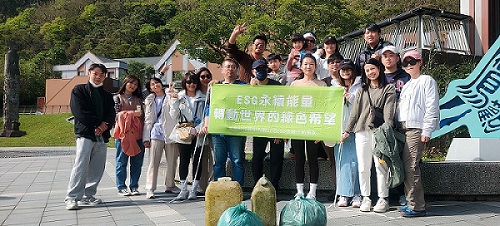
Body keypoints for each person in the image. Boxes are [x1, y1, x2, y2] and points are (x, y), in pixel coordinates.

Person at [341, 58, 395, 213]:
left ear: (379, 68)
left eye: (373, 68)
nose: (370, 72)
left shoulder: (388, 88)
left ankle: (383, 199)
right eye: (367, 70)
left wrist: (386, 131)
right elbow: (354, 113)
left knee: (381, 166)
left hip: (380, 132)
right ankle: (366, 197)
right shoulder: (362, 90)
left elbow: (389, 113)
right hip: (361, 132)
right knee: (364, 167)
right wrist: (347, 131)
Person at [65, 63, 116, 210]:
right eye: (96, 74)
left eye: (102, 75)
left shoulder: (106, 95)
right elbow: (79, 111)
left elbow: (111, 113)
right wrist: (97, 124)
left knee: (97, 166)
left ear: (105, 76)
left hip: (102, 135)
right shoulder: (79, 90)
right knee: (81, 164)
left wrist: (105, 125)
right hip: (85, 133)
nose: (98, 77)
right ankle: (72, 197)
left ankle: (89, 195)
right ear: (89, 73)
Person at [397, 50, 439, 217]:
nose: (409, 65)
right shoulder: (407, 84)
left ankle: (417, 206)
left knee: (411, 167)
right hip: (403, 129)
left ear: (420, 62)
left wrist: (427, 130)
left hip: (416, 129)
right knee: (408, 167)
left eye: (412, 62)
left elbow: (432, 106)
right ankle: (411, 202)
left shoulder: (427, 80)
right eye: (405, 63)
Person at [200, 58, 246, 186]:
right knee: (219, 161)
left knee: (237, 160)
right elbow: (209, 107)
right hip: (218, 130)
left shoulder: (243, 87)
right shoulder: (216, 87)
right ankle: (219, 188)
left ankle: (238, 188)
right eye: (227, 67)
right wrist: (206, 124)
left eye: (233, 67)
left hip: (236, 130)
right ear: (222, 70)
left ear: (237, 70)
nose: (230, 69)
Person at [290, 53, 327, 200]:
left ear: (316, 66)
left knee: (312, 158)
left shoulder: (322, 84)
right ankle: (299, 191)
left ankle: (313, 191)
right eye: (305, 64)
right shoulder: (295, 84)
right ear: (301, 66)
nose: (308, 66)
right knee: (299, 158)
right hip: (298, 125)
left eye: (311, 64)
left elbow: (325, 106)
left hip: (314, 125)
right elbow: (290, 106)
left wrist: (322, 129)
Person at [169, 72, 208, 201]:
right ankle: (184, 188)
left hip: (198, 132)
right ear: (184, 83)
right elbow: (174, 116)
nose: (192, 84)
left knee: (197, 161)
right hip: (183, 133)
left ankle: (194, 189)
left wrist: (198, 129)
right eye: (189, 82)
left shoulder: (203, 97)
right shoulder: (179, 97)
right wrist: (173, 101)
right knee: (184, 160)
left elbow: (206, 115)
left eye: (194, 82)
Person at [380, 45, 411, 206]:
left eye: (391, 55)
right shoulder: (377, 76)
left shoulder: (406, 76)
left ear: (397, 58)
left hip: (403, 122)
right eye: (385, 55)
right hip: (383, 124)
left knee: (405, 158)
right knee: (387, 158)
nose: (388, 58)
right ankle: (387, 193)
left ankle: (404, 194)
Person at [249, 59, 285, 191]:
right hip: (259, 128)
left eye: (263, 69)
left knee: (277, 158)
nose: (261, 71)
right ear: (253, 71)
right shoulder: (250, 87)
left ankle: (274, 187)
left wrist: (280, 131)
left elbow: (283, 108)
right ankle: (257, 186)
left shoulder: (277, 85)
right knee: (257, 157)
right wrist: (252, 88)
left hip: (276, 128)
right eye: (258, 69)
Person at [142, 77, 180, 199]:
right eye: (152, 84)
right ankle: (150, 188)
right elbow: (148, 120)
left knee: (172, 161)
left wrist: (172, 96)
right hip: (156, 133)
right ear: (150, 88)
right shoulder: (150, 100)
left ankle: (170, 185)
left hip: (170, 132)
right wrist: (146, 138)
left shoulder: (170, 94)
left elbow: (175, 112)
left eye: (157, 82)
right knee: (153, 162)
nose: (155, 85)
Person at [334, 59, 362, 207]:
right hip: (339, 130)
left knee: (357, 163)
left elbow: (364, 106)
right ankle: (343, 194)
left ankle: (357, 194)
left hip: (356, 129)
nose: (345, 72)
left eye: (348, 69)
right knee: (342, 163)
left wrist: (351, 98)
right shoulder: (335, 86)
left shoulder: (360, 86)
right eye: (342, 69)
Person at [113, 75, 145, 196]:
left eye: (136, 84)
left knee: (137, 162)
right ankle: (121, 186)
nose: (133, 86)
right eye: (131, 83)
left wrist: (162, 73)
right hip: (123, 134)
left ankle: (134, 186)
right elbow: (115, 115)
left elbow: (151, 86)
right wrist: (132, 114)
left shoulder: (139, 99)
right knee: (121, 161)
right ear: (125, 83)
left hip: (138, 134)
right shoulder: (117, 98)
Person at [194, 67, 214, 195]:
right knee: (201, 158)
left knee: (214, 158)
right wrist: (200, 127)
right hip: (200, 129)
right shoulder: (195, 94)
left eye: (208, 76)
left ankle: (212, 186)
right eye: (202, 77)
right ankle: (202, 187)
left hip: (215, 128)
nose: (205, 79)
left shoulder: (215, 90)